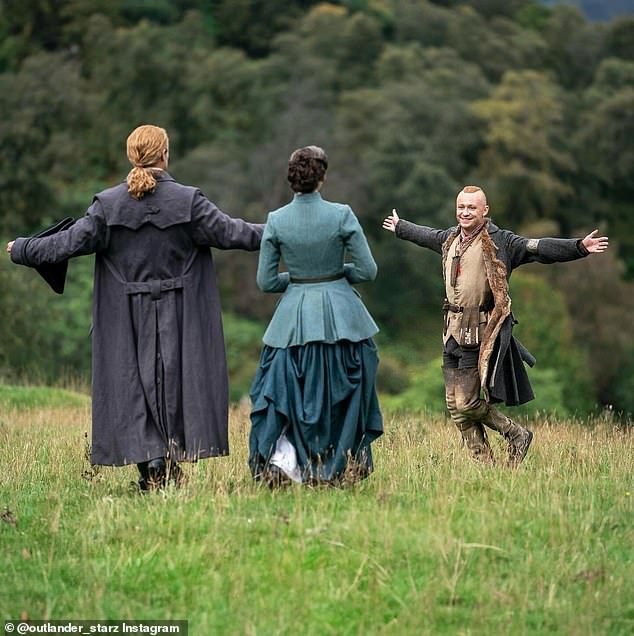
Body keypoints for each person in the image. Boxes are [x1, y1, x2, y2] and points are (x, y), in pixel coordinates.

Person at [7, 124, 264, 490]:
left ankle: (154, 469)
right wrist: (287, 230)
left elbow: (64, 244)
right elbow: (238, 233)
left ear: (132, 156)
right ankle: (163, 468)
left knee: (133, 388)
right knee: (177, 385)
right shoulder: (189, 201)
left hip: (124, 317)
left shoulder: (107, 206)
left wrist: (22, 249)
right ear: (165, 155)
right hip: (181, 314)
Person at [382, 185, 609, 465]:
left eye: (472, 208)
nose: (465, 212)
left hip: (480, 332)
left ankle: (516, 434)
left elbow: (538, 247)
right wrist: (400, 226)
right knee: (455, 406)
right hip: (450, 331)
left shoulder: (502, 242)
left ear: (485, 210)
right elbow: (425, 234)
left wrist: (579, 247)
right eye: (461, 207)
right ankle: (485, 465)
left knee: (466, 403)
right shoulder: (449, 238)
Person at [248, 145, 383, 486]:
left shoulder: (276, 220)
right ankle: (338, 468)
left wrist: (297, 279)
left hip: (291, 321)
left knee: (286, 394)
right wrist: (337, 275)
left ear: (291, 179)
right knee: (345, 396)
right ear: (323, 178)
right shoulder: (342, 215)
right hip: (344, 318)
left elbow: (265, 281)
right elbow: (368, 270)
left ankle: (287, 465)